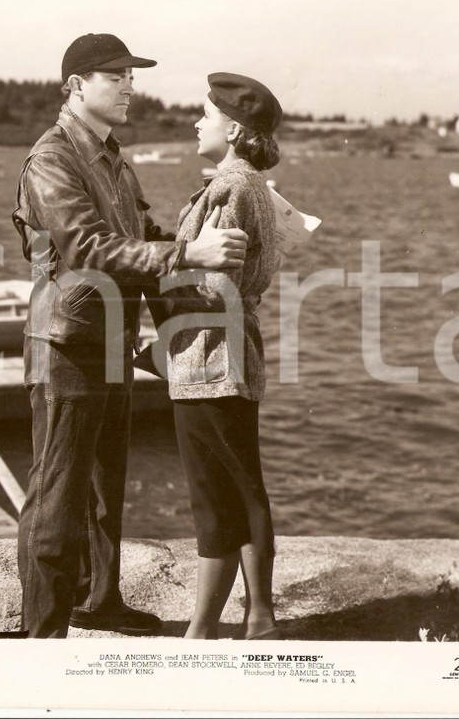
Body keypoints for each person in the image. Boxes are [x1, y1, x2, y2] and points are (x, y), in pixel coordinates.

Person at [11, 34, 249, 638]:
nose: (128, 85)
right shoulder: (52, 159)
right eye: (114, 75)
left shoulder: (110, 156)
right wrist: (189, 250)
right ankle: (39, 637)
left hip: (109, 339)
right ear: (76, 87)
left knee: (101, 487)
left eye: (129, 75)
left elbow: (140, 231)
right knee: (57, 493)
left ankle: (98, 600)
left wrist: (191, 267)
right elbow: (86, 247)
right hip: (65, 343)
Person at [163, 73, 283, 640]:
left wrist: (161, 271)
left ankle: (240, 621)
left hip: (211, 353)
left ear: (233, 130)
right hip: (218, 352)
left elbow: (217, 285)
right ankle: (233, 621)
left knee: (223, 491)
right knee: (230, 488)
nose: (195, 123)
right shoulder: (246, 183)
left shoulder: (231, 188)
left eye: (205, 115)